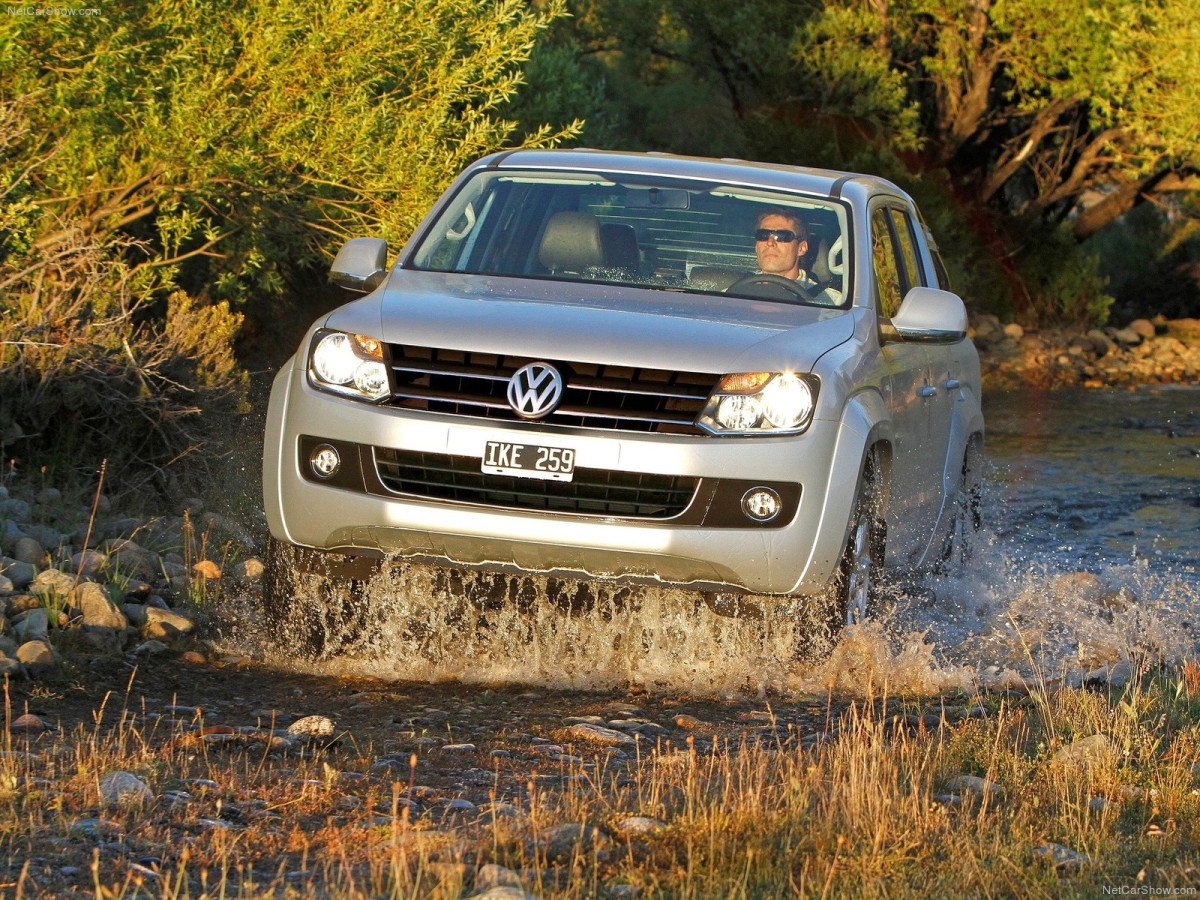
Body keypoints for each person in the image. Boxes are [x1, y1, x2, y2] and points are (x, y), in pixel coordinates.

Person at [753, 208, 842, 304]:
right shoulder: (735, 288)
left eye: (782, 236)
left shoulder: (830, 301)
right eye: (763, 235)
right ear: (756, 247)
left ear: (801, 248)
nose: (770, 243)